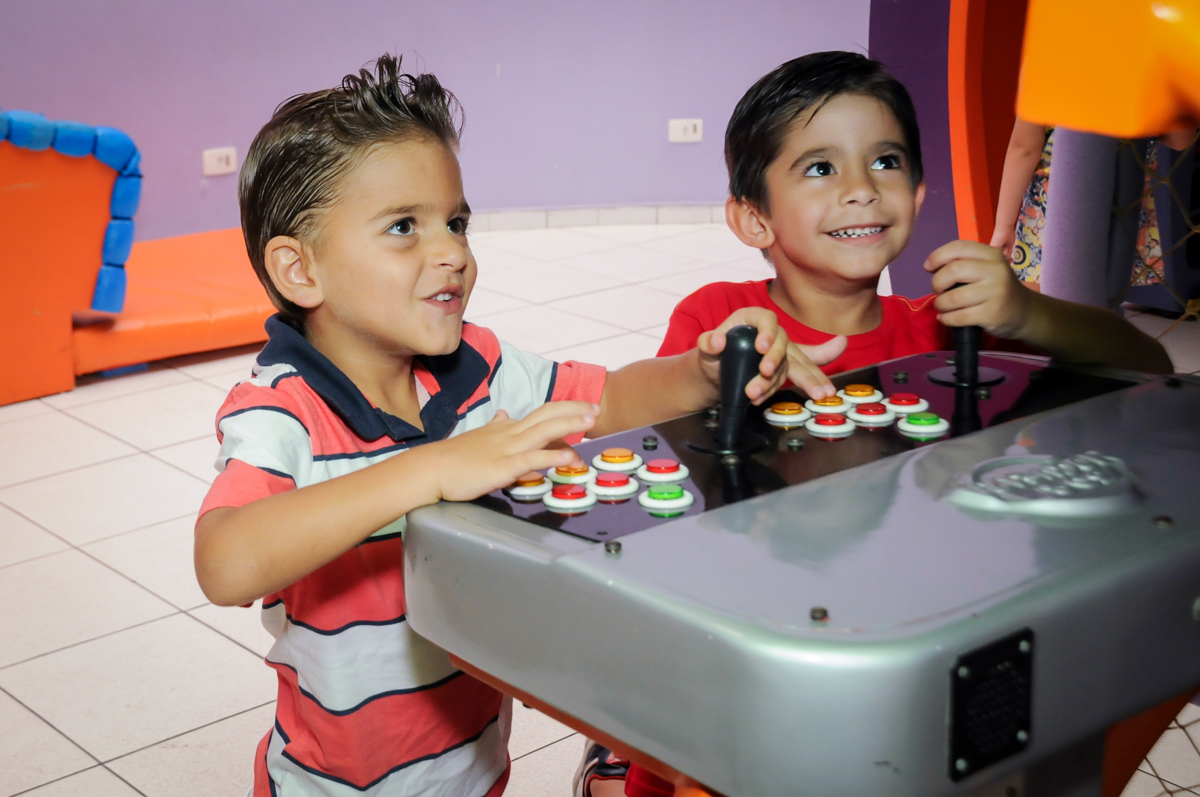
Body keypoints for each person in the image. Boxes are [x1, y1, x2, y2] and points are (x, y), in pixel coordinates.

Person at [192, 54, 796, 797]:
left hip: (472, 768)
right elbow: (226, 562)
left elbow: (605, 401)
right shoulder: (282, 410)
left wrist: (700, 374)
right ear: (300, 271)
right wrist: (427, 470)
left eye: (456, 222)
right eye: (404, 227)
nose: (452, 251)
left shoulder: (475, 364)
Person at [613, 50, 1171, 797]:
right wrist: (713, 369)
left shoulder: (946, 327)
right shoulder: (722, 318)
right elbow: (626, 416)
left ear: (918, 191)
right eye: (820, 167)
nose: (861, 189)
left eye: (885, 161)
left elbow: (1146, 366)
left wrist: (1026, 312)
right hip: (744, 651)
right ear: (753, 217)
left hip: (905, 640)